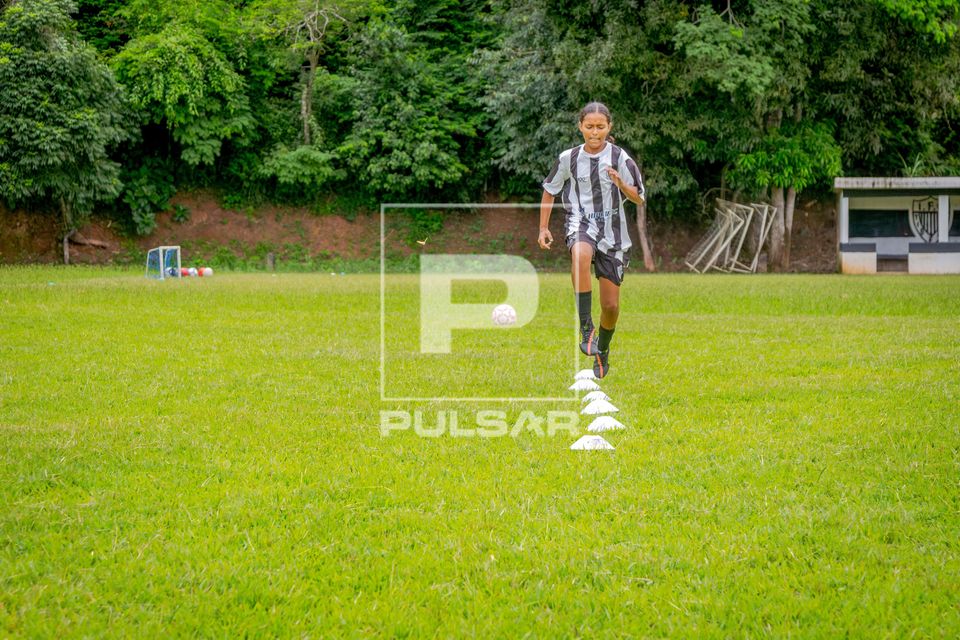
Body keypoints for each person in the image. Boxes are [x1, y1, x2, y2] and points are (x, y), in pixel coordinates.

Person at [538, 102, 645, 378]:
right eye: (589, 127)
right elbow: (550, 190)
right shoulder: (568, 158)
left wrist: (621, 184)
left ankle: (603, 349)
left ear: (609, 127)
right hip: (581, 222)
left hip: (613, 233)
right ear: (580, 127)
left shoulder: (620, 158)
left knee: (610, 306)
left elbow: (640, 197)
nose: (594, 132)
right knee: (580, 255)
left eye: (600, 127)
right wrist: (543, 228)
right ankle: (586, 327)